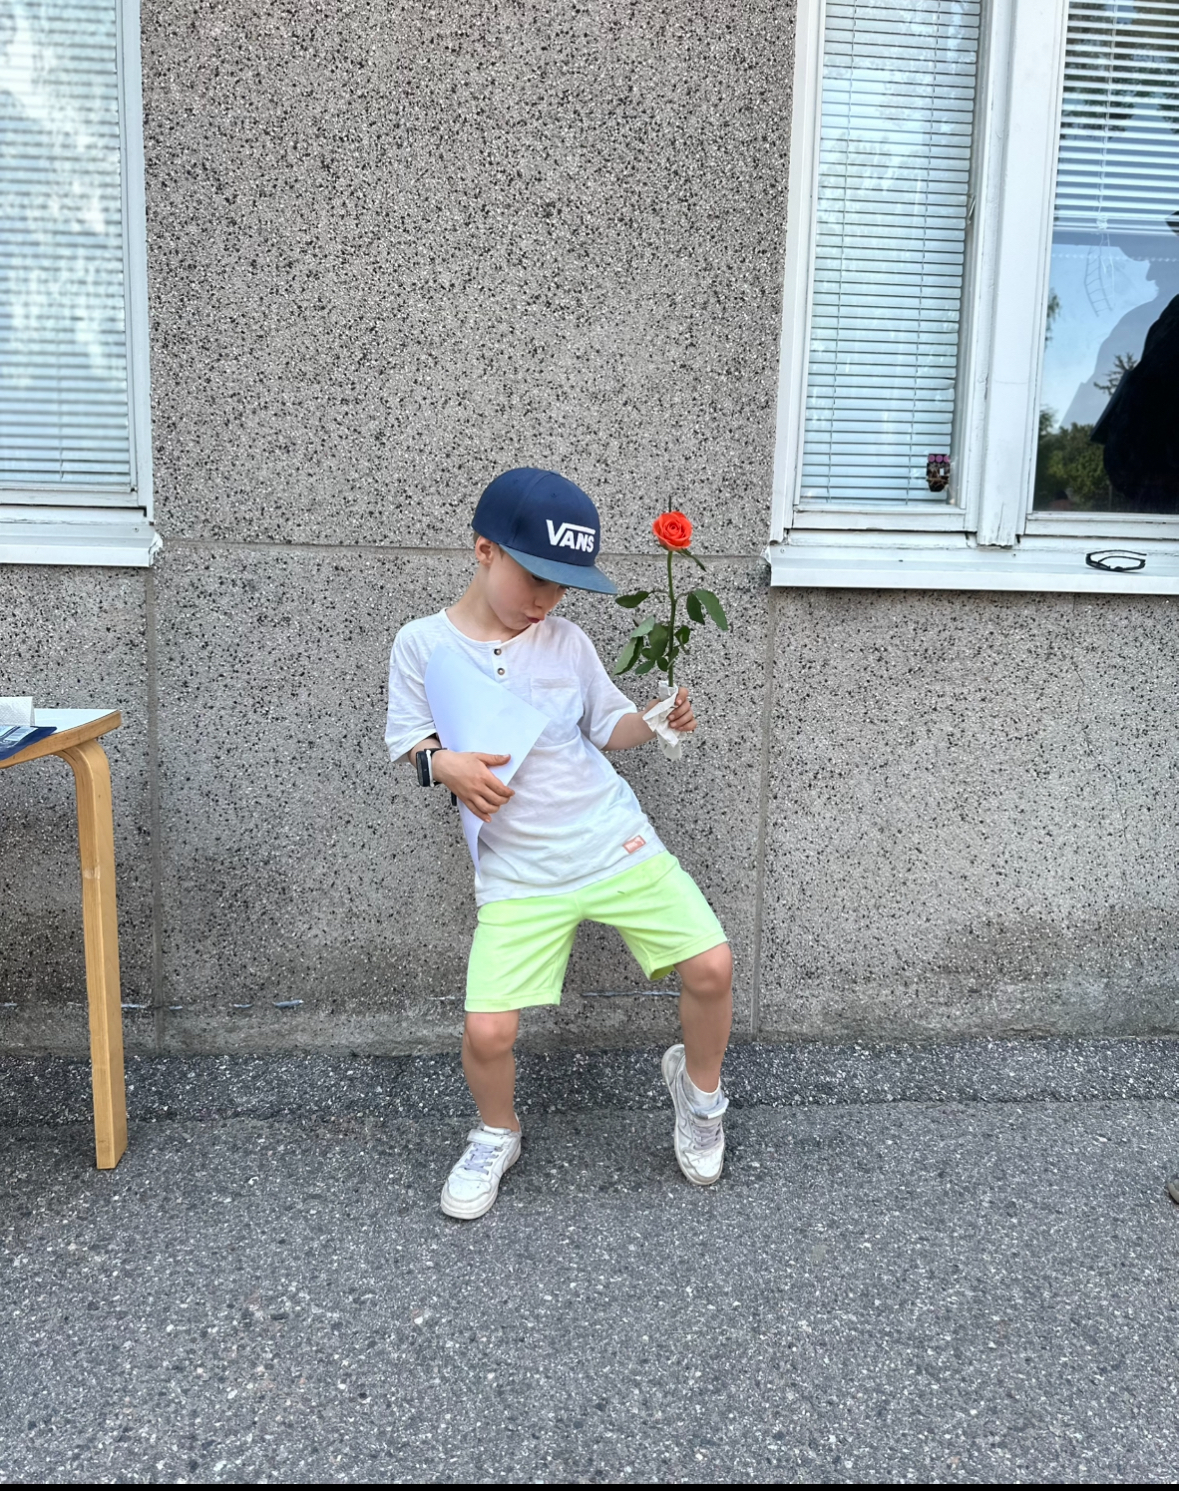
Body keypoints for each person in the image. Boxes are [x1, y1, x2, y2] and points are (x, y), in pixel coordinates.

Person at [384, 467, 732, 1219]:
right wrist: (445, 765)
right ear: (484, 550)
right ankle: (496, 1131)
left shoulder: (567, 641)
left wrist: (656, 719)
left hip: (610, 839)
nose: (547, 599)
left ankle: (700, 1096)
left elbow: (608, 727)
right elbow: (410, 742)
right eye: (535, 577)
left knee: (711, 964)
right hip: (518, 868)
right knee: (488, 1029)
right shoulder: (421, 644)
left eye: (563, 585)